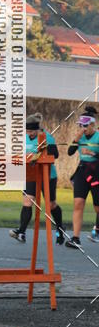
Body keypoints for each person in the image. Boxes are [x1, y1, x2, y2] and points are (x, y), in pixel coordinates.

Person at [9, 113, 63, 244]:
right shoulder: (24, 138)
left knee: (50, 205)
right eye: (27, 131)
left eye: (31, 131)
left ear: (37, 129)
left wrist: (40, 153)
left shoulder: (46, 137)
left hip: (47, 175)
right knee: (28, 201)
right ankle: (21, 232)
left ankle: (60, 229)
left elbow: (55, 154)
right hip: (31, 175)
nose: (29, 134)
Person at [65, 106, 99, 249]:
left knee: (98, 207)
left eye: (85, 126)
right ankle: (76, 238)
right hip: (82, 171)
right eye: (80, 125)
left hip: (96, 172)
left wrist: (92, 154)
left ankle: (96, 230)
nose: (83, 128)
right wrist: (76, 139)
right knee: (78, 203)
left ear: (92, 125)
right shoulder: (80, 136)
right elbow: (70, 152)